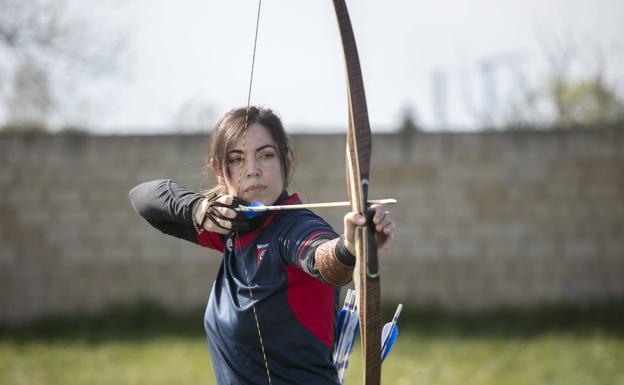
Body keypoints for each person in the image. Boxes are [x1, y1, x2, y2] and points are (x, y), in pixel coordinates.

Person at [129, 106, 395, 385]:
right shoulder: (232, 228)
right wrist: (198, 209)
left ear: (287, 162)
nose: (252, 170)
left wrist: (350, 247)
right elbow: (143, 197)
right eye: (237, 159)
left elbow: (324, 260)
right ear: (221, 172)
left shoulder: (296, 227)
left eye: (266, 155)